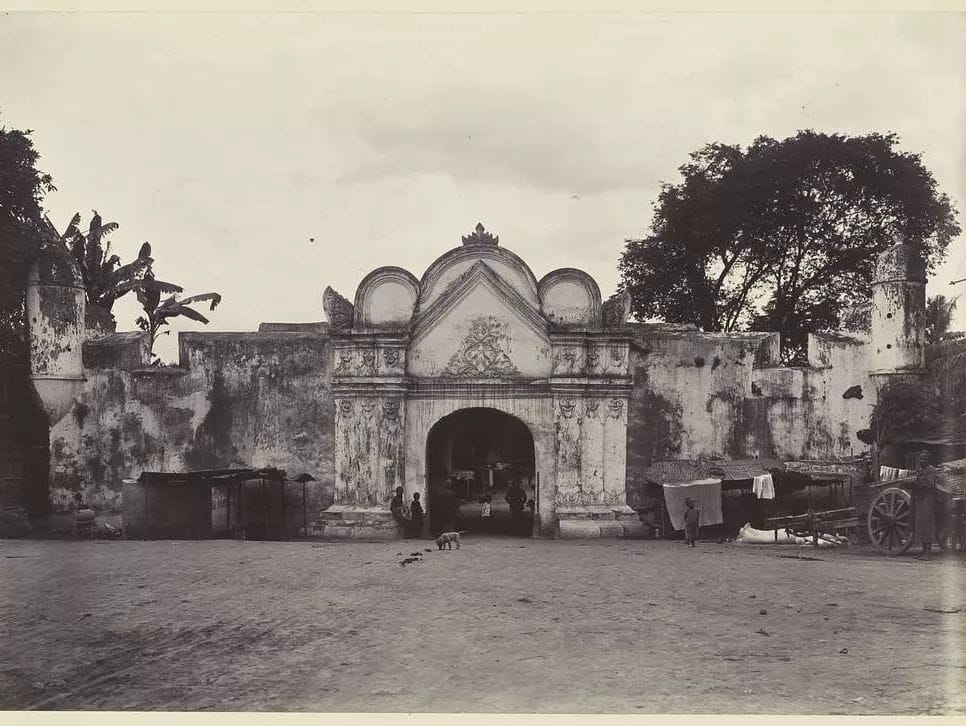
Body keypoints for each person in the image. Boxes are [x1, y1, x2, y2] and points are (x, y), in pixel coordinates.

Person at [913, 451, 939, 561]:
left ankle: (928, 553)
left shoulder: (930, 470)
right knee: (921, 525)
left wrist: (918, 482)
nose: (921, 461)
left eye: (924, 459)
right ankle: (923, 551)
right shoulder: (920, 470)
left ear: (928, 460)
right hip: (920, 499)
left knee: (927, 525)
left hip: (928, 499)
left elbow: (930, 485)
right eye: (920, 459)